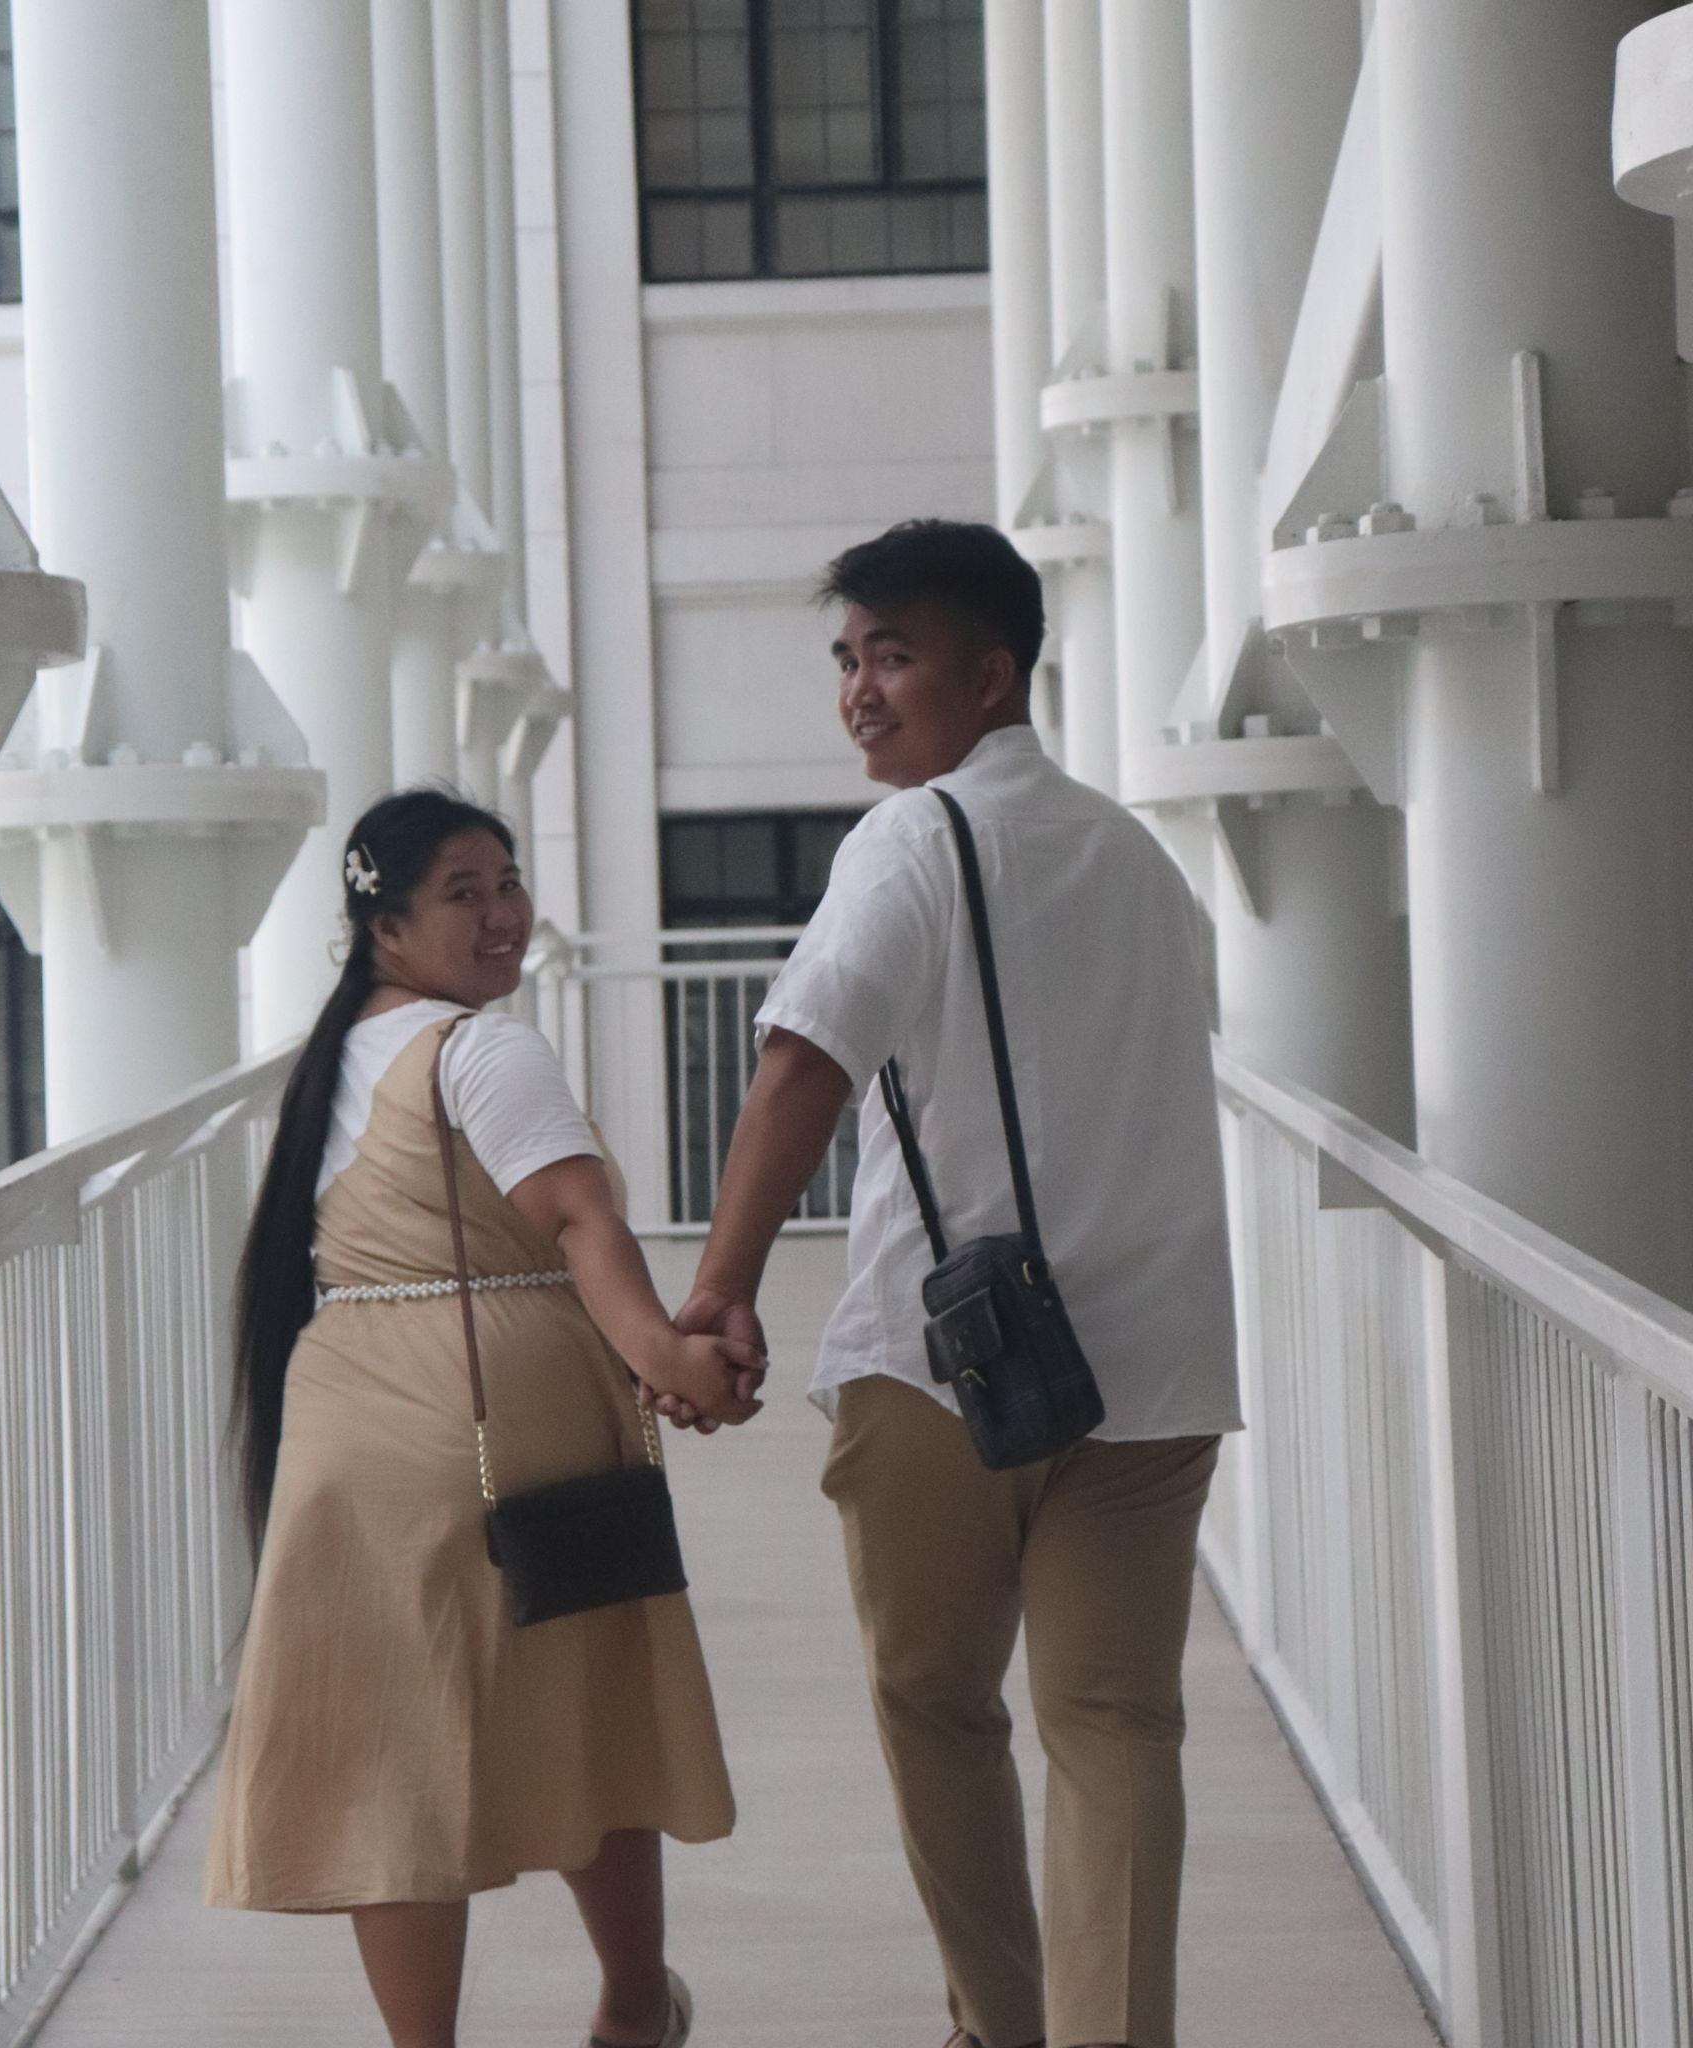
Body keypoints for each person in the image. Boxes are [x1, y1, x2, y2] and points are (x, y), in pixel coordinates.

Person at [664, 521, 1242, 2048]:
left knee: (936, 1699)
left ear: (991, 677)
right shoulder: (1142, 859)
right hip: (1155, 1367)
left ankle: (1000, 2020)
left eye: (893, 656)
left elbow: (804, 1058)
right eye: (848, 659)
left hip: (948, 1364)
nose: (858, 690)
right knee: (1118, 1725)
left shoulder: (916, 838)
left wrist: (719, 1290)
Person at [205, 788, 764, 2048]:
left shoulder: (328, 1062)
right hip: (513, 1415)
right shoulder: (483, 1049)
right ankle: (633, 2006)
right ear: (385, 924)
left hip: (346, 1431)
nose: (503, 911)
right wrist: (666, 1356)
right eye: (464, 891)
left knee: (387, 1758)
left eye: (507, 880)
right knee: (588, 1709)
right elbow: (576, 1217)